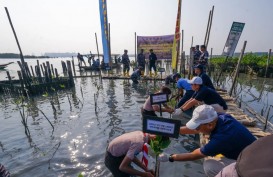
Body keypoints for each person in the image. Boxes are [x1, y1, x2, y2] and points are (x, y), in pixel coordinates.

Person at [159, 105, 256, 177]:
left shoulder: (221, 139)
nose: (196, 130)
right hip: (251, 152)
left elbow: (194, 155)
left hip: (251, 165)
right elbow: (194, 129)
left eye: (198, 127)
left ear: (209, 125)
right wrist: (169, 131)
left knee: (209, 166)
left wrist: (170, 157)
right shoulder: (221, 117)